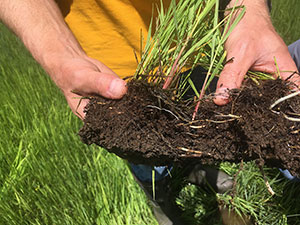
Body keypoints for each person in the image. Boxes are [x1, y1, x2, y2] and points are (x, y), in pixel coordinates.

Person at [1, 0, 299, 224]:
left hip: (208, 45)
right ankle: (161, 199)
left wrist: (249, 7)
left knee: (198, 128)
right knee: (145, 153)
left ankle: (199, 167)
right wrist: (58, 49)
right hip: (111, 65)